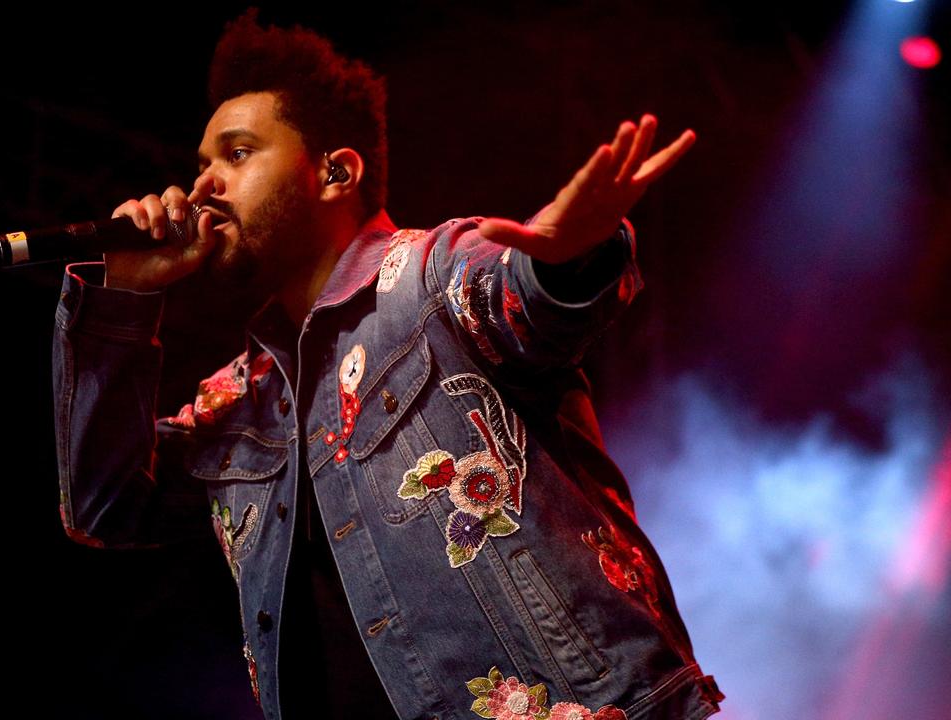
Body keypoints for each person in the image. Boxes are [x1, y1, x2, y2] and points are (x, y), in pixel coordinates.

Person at [53, 8, 722, 720]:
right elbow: (104, 506)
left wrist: (566, 257)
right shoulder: (239, 399)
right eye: (201, 166)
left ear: (336, 172)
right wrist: (122, 299)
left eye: (237, 154)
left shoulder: (432, 273)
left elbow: (526, 295)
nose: (203, 187)